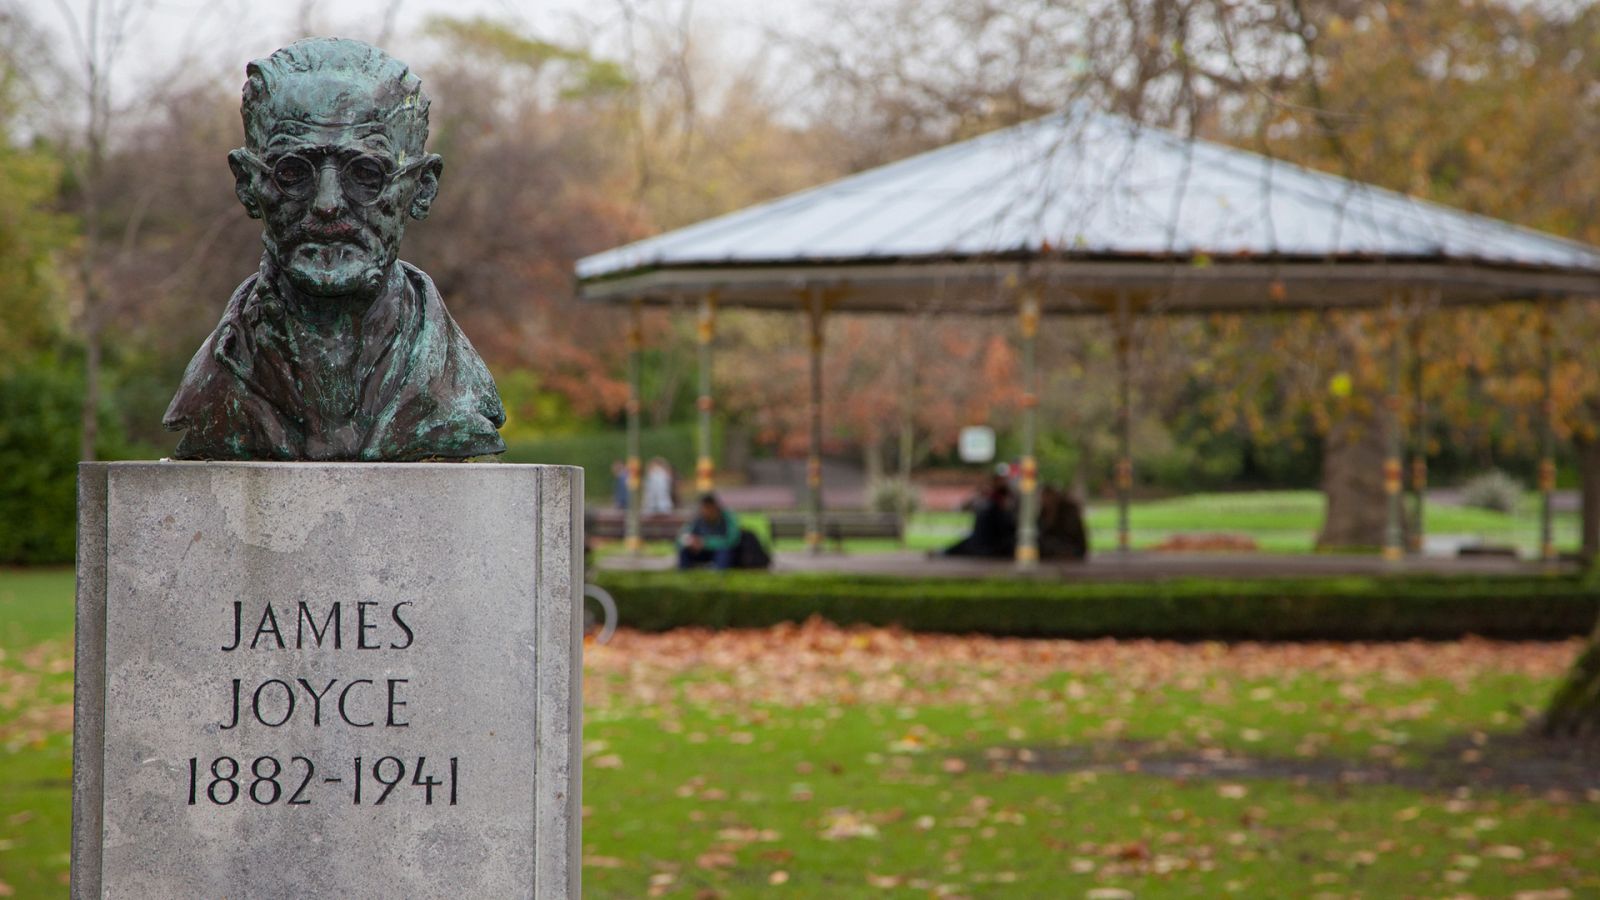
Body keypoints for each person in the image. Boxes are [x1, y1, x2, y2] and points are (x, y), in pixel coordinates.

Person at [163, 38, 504, 461]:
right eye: (292, 172)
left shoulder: (454, 389)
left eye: (365, 173)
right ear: (248, 185)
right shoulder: (219, 379)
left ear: (421, 189)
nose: (327, 204)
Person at [939, 473, 1017, 558]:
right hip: (986, 546)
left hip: (983, 546)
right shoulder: (992, 507)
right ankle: (943, 552)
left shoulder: (990, 505)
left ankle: (942, 552)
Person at [678, 493, 742, 570]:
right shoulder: (697, 518)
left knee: (724, 551)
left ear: (715, 507)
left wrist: (706, 543)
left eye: (709, 508)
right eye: (704, 508)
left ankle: (719, 573)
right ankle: (684, 573)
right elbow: (681, 538)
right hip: (701, 552)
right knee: (684, 551)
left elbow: (732, 540)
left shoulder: (728, 517)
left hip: (722, 552)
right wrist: (690, 542)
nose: (706, 511)